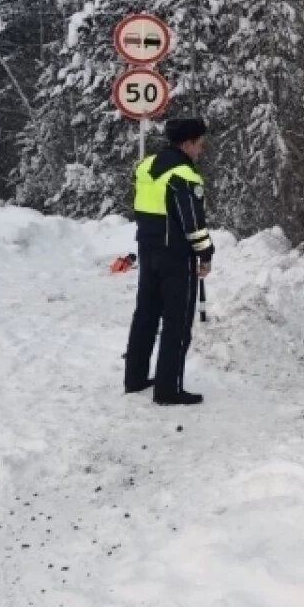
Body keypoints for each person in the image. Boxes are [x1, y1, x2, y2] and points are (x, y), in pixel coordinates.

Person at [123, 118, 214, 405]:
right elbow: (192, 222)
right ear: (187, 143)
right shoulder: (184, 175)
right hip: (175, 256)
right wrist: (205, 252)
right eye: (200, 144)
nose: (201, 150)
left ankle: (135, 378)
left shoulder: (147, 166)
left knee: (145, 316)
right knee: (177, 322)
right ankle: (168, 389)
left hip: (148, 249)